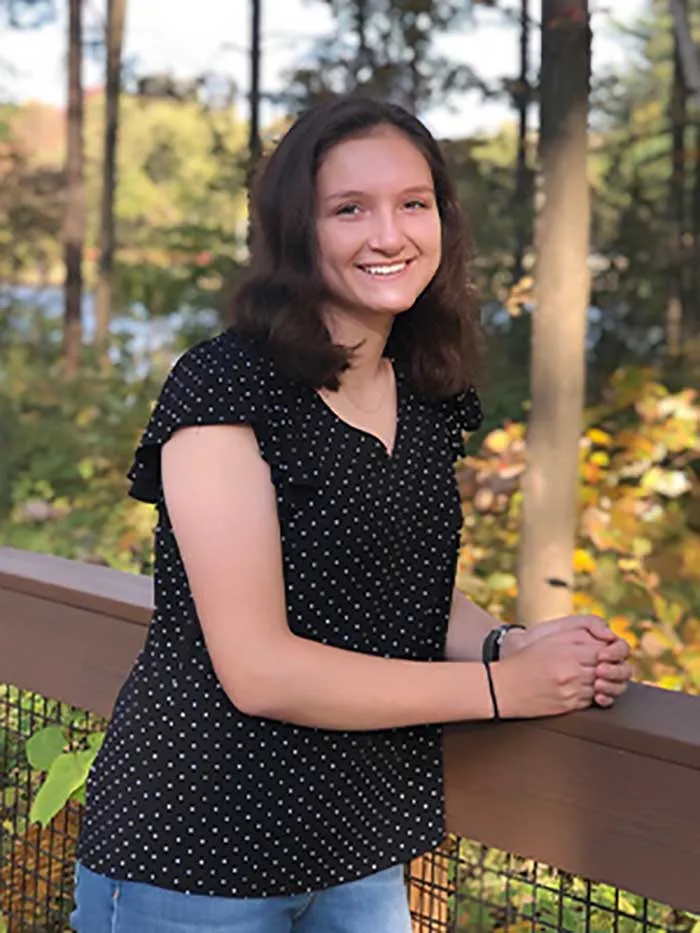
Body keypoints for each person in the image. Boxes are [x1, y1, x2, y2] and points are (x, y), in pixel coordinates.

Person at [70, 95, 632, 933]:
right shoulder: (227, 388)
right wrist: (501, 686)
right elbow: (259, 669)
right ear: (298, 231)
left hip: (360, 841)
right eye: (349, 209)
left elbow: (395, 587)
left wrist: (510, 641)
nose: (390, 234)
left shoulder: (426, 391)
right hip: (201, 853)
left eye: (414, 203)